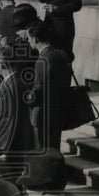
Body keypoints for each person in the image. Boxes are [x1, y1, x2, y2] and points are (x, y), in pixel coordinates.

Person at [26, 22, 72, 150]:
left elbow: (39, 88)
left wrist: (29, 99)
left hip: (43, 112)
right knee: (54, 146)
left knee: (42, 148)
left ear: (36, 39)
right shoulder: (61, 54)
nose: (29, 42)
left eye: (30, 39)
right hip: (58, 108)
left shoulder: (42, 60)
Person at [0, 44, 35, 158]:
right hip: (8, 145)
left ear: (3, 63)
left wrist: (6, 150)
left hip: (10, 148)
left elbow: (12, 121)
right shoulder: (11, 82)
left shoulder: (13, 86)